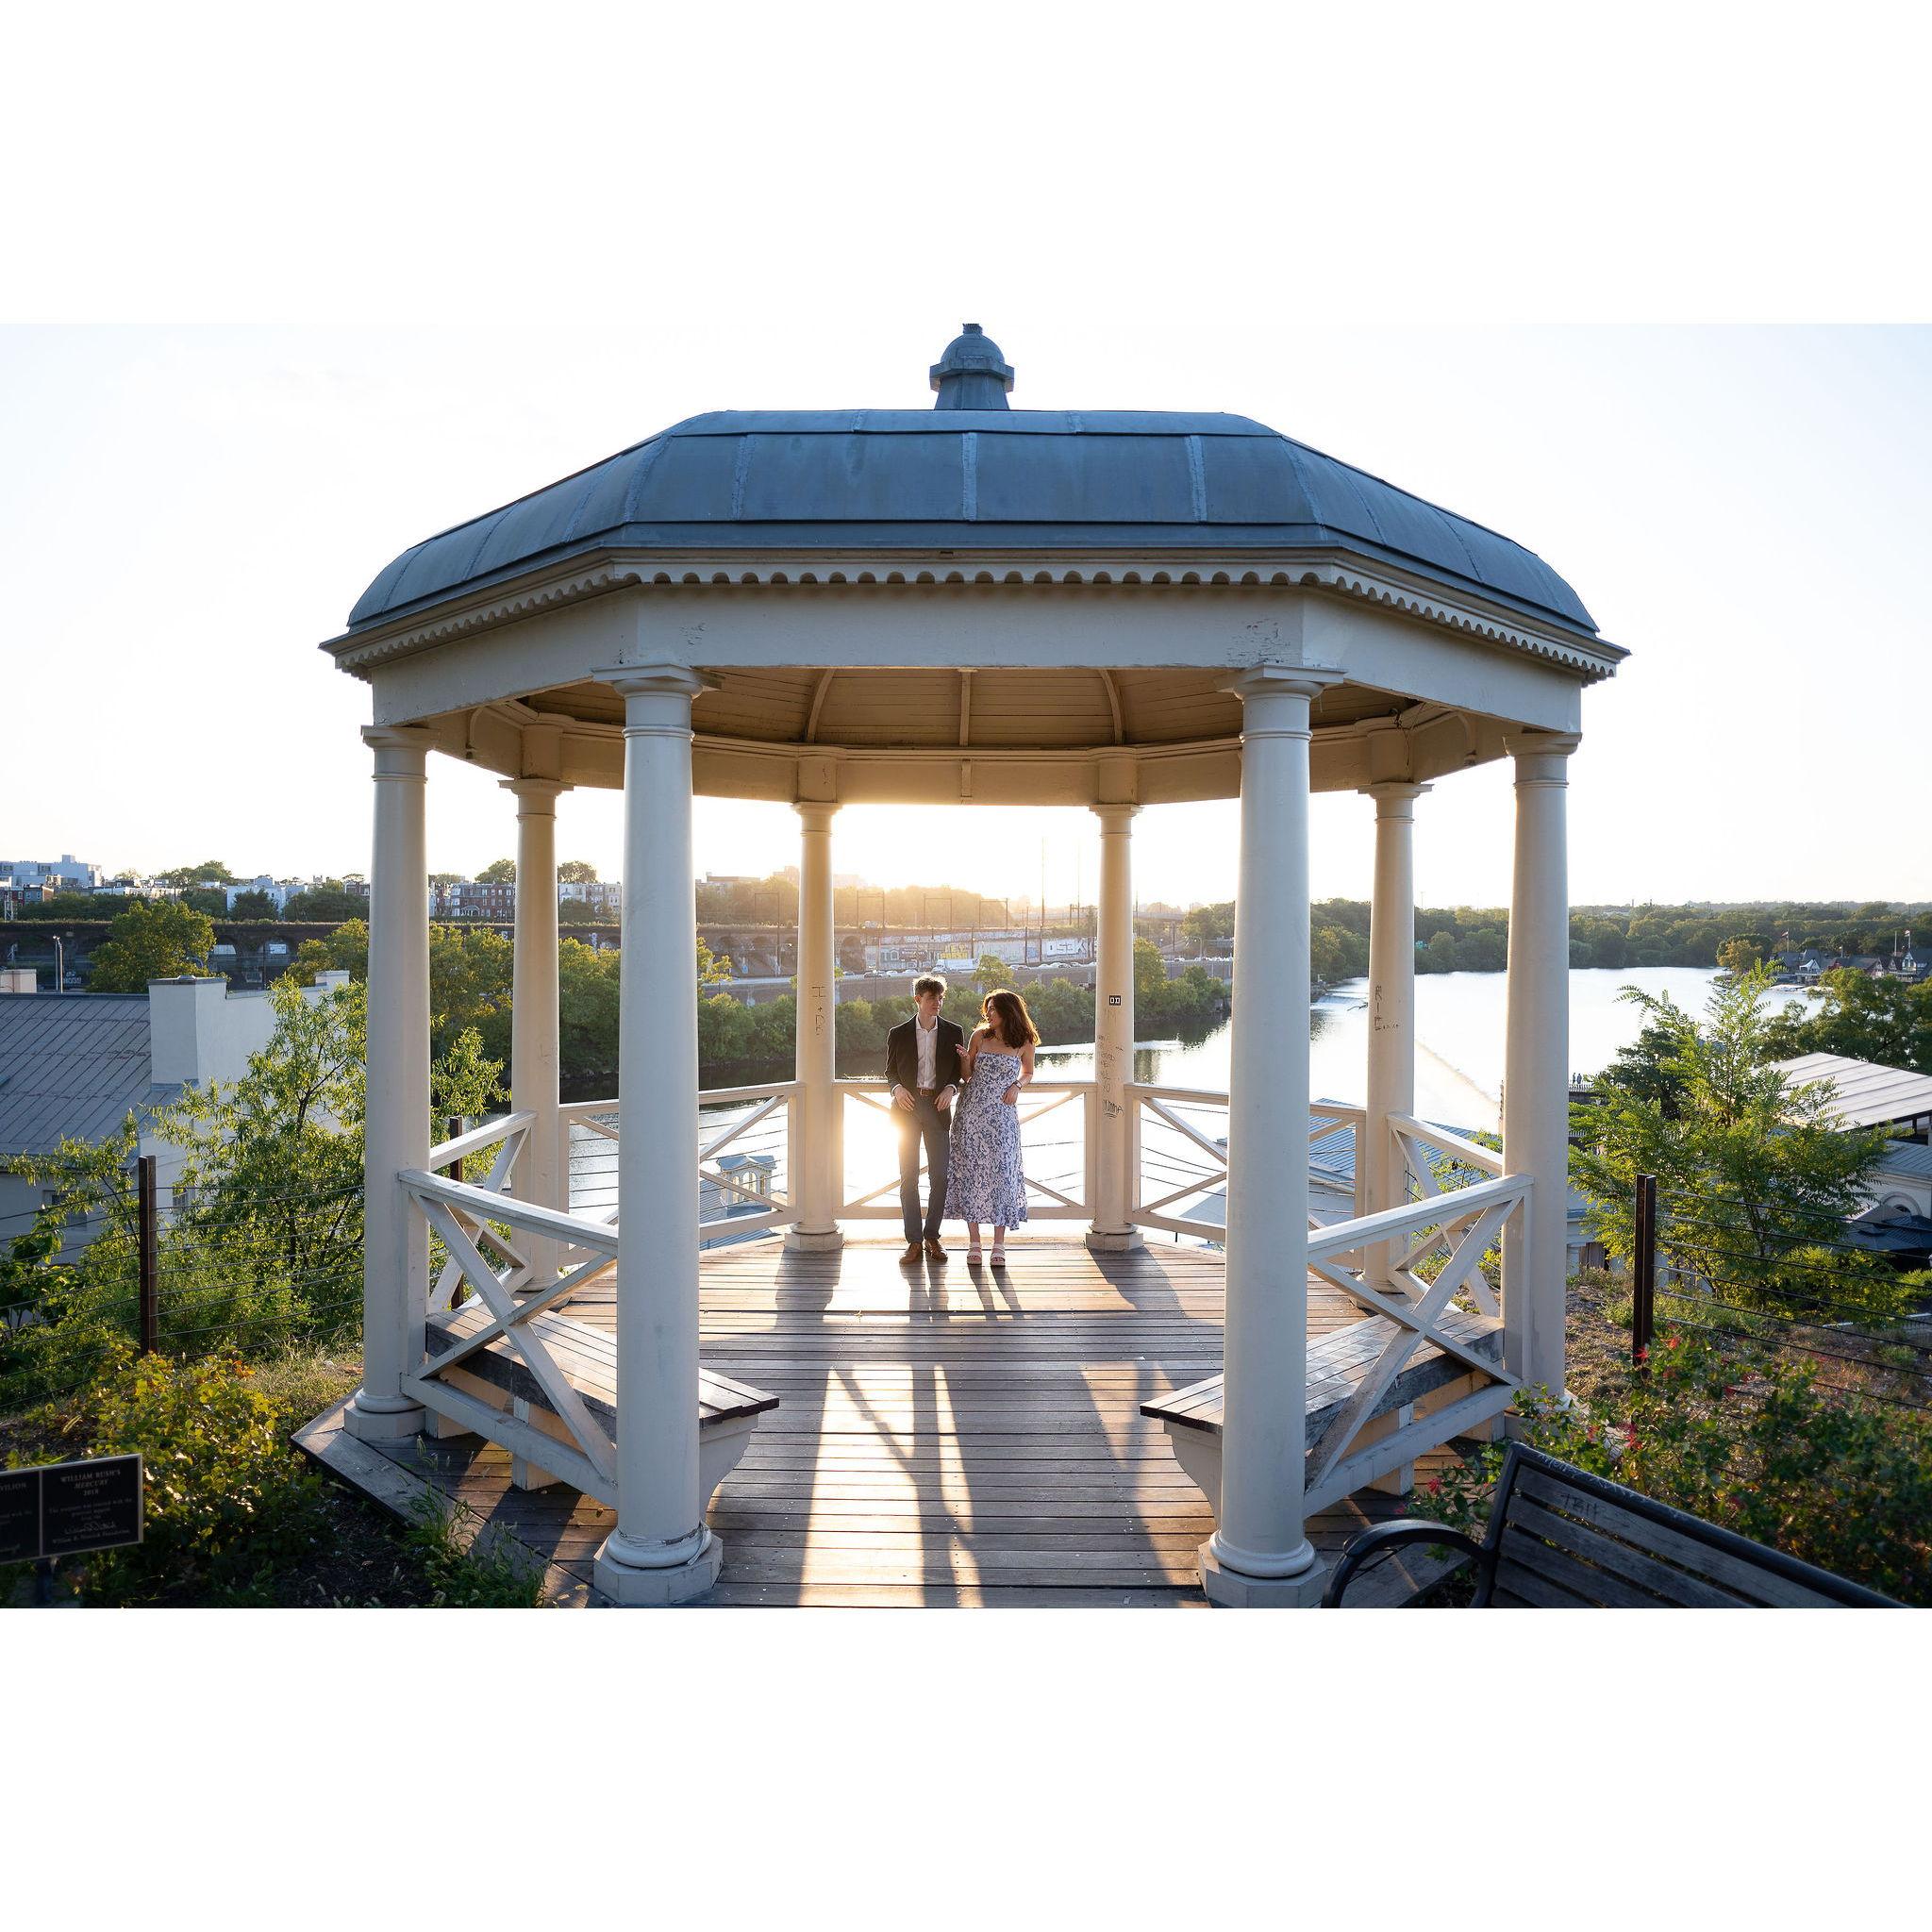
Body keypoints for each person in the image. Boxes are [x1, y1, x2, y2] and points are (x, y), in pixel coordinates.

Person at [944, 988, 1037, 1266]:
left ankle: (999, 1244)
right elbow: (967, 1075)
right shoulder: (979, 1036)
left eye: (994, 1009)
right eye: (988, 1008)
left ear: (1008, 1012)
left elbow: (1029, 1071)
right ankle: (974, 1242)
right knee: (970, 1172)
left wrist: (1017, 1085)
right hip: (971, 1113)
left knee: (1002, 1174)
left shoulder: (1024, 1040)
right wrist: (963, 1059)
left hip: (1002, 1115)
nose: (989, 1013)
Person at [885, 974, 967, 1262]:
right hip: (906, 1111)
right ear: (918, 999)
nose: (938, 1003)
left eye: (941, 998)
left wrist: (951, 1087)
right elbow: (890, 1072)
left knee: (940, 1177)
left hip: (938, 1108)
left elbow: (960, 1073)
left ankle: (932, 1236)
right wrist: (896, 1090)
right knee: (908, 1178)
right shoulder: (898, 1033)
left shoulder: (954, 1031)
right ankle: (913, 1241)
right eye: (932, 998)